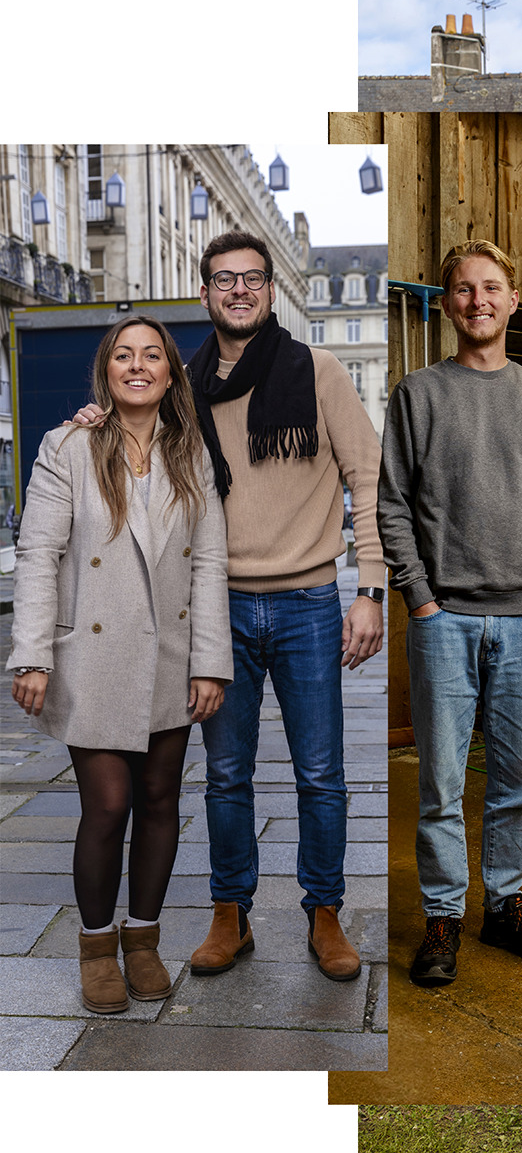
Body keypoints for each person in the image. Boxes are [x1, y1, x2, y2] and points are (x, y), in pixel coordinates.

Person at [71, 231, 385, 982]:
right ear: (206, 292)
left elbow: (369, 477)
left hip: (309, 600)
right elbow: (134, 439)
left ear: (270, 290)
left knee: (322, 773)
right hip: (215, 608)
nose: (238, 289)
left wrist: (370, 588)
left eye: (251, 278)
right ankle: (229, 913)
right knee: (226, 775)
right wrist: (93, 425)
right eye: (223, 279)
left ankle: (325, 912)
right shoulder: (181, 387)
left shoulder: (319, 371)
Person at [8, 316, 232, 1013]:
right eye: (124, 355)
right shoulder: (67, 445)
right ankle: (97, 946)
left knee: (161, 801)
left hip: (170, 653)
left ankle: (143, 939)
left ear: (170, 373)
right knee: (107, 804)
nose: (138, 365)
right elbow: (38, 554)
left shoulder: (191, 451)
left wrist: (210, 662)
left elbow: (210, 562)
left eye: (152, 355)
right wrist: (32, 654)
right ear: (106, 370)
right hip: (92, 655)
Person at [379, 239, 522, 985]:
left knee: (519, 778)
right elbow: (391, 505)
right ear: (446, 304)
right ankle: (442, 916)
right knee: (440, 782)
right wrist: (421, 599)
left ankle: (504, 907)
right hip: (445, 621)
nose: (478, 300)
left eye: (491, 287)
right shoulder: (417, 394)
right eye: (463, 289)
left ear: (512, 299)